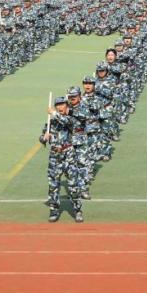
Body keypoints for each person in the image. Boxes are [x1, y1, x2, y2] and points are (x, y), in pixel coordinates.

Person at [40, 95, 84, 223]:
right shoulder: (50, 122)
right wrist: (44, 138)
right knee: (53, 186)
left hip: (68, 155)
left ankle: (77, 210)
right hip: (55, 156)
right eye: (58, 105)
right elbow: (42, 138)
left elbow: (66, 122)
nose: (60, 107)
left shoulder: (71, 119)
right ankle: (54, 211)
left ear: (67, 106)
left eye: (62, 105)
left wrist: (54, 113)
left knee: (73, 185)